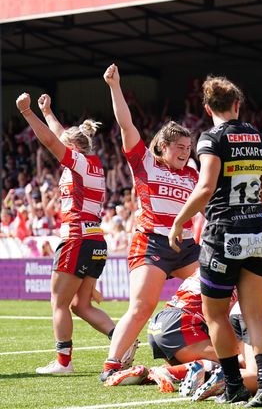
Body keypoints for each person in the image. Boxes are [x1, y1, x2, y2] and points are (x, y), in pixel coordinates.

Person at [168, 75, 262, 406]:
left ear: (206, 107)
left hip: (224, 233)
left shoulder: (210, 138)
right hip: (259, 231)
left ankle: (233, 385)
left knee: (214, 314)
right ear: (237, 104)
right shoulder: (259, 137)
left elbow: (205, 188)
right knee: (255, 315)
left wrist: (178, 222)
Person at [101, 64, 200, 382]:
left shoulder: (194, 175)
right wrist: (115, 86)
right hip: (152, 242)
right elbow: (126, 124)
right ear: (163, 147)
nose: (185, 152)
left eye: (188, 148)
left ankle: (209, 351)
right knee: (142, 306)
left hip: (185, 246)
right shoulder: (144, 161)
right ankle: (112, 365)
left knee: (218, 294)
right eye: (179, 147)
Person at [16, 93, 116, 374]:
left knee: (58, 302)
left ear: (72, 147)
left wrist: (27, 113)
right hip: (94, 238)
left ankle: (63, 363)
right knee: (80, 305)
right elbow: (58, 135)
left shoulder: (79, 163)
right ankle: (122, 338)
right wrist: (47, 111)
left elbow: (50, 140)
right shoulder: (91, 163)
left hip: (76, 237)